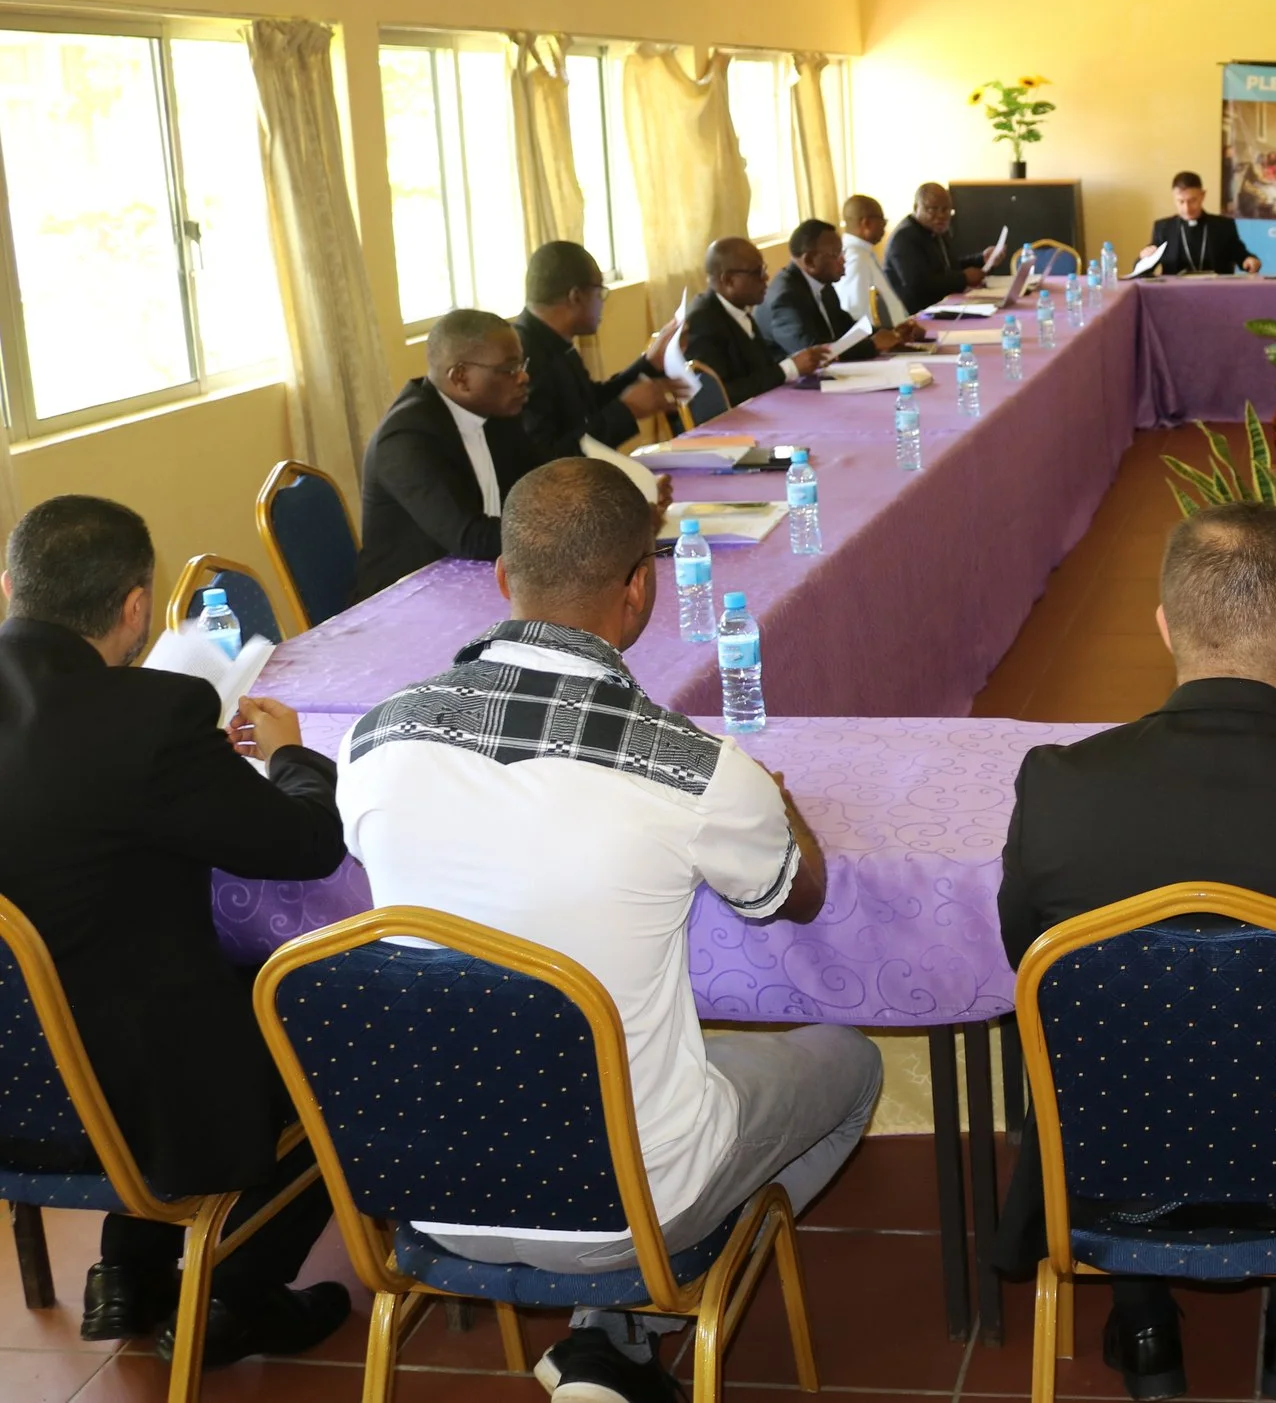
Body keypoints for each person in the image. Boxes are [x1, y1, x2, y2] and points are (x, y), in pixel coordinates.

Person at [337, 458, 884, 1403]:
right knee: (850, 1061)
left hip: (424, 1187)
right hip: (628, 1208)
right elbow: (797, 893)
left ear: (502, 579)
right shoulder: (692, 766)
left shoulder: (373, 737)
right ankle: (663, 1299)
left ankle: (609, 1340)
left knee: (634, 1055)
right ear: (641, 588)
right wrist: (777, 801)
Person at [993, 502, 1276, 1403]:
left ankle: (1144, 1326)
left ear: (1165, 626)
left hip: (1109, 1167)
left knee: (1112, 1037)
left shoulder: (1058, 789)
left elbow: (1027, 956)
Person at [0, 497, 352, 1365]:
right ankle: (238, 1291)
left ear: (9, 587)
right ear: (135, 608)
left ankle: (130, 1266)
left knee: (133, 981)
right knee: (339, 1031)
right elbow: (305, 847)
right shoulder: (150, 716)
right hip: (136, 1087)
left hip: (18, 1078)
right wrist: (293, 758)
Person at [354, 308, 550, 603]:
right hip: (406, 601)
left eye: (522, 364)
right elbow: (468, 536)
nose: (523, 377)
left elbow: (541, 485)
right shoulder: (406, 439)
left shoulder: (497, 411)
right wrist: (560, 532)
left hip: (482, 574)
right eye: (510, 369)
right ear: (461, 377)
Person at [515, 240, 684, 456]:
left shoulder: (551, 338)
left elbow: (588, 401)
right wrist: (628, 410)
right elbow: (549, 458)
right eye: (600, 292)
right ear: (576, 296)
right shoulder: (523, 356)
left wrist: (648, 364)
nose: (603, 303)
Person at [680, 236, 838, 408]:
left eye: (764, 269)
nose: (766, 277)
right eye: (757, 272)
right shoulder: (702, 322)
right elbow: (722, 393)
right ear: (729, 280)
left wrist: (801, 361)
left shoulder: (739, 308)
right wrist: (789, 368)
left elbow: (760, 370)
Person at [760, 217, 924, 358]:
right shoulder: (786, 298)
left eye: (842, 253)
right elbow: (813, 353)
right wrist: (873, 345)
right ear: (810, 260)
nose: (843, 260)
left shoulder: (824, 285)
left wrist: (893, 333)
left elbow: (847, 329)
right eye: (836, 254)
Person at [881, 182, 990, 314]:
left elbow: (948, 267)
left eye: (946, 210)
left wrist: (981, 259)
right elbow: (920, 285)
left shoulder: (934, 230)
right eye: (932, 209)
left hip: (941, 307)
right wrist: (963, 278)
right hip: (916, 316)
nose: (941, 215)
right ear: (916, 207)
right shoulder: (905, 237)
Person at [1149, 170, 1260, 275]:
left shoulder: (1224, 226)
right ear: (1174, 198)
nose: (1187, 208)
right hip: (1174, 289)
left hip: (1216, 288)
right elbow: (1146, 268)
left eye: (1192, 200)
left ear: (1202, 195)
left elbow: (1241, 255)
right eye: (1181, 201)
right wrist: (1145, 257)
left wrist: (1249, 260)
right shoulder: (1163, 228)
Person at [831, 194, 912, 329]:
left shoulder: (863, 254)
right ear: (866, 223)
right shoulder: (855, 259)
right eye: (882, 221)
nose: (884, 226)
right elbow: (856, 313)